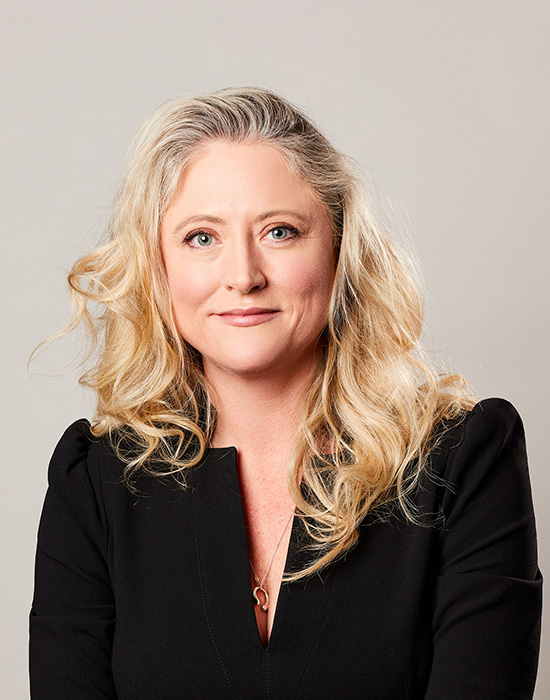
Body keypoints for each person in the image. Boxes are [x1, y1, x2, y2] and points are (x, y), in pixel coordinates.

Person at [29, 87, 542, 699]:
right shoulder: (95, 483)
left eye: (279, 231)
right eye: (201, 237)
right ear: (157, 264)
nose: (243, 276)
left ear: (338, 249)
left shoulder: (462, 462)